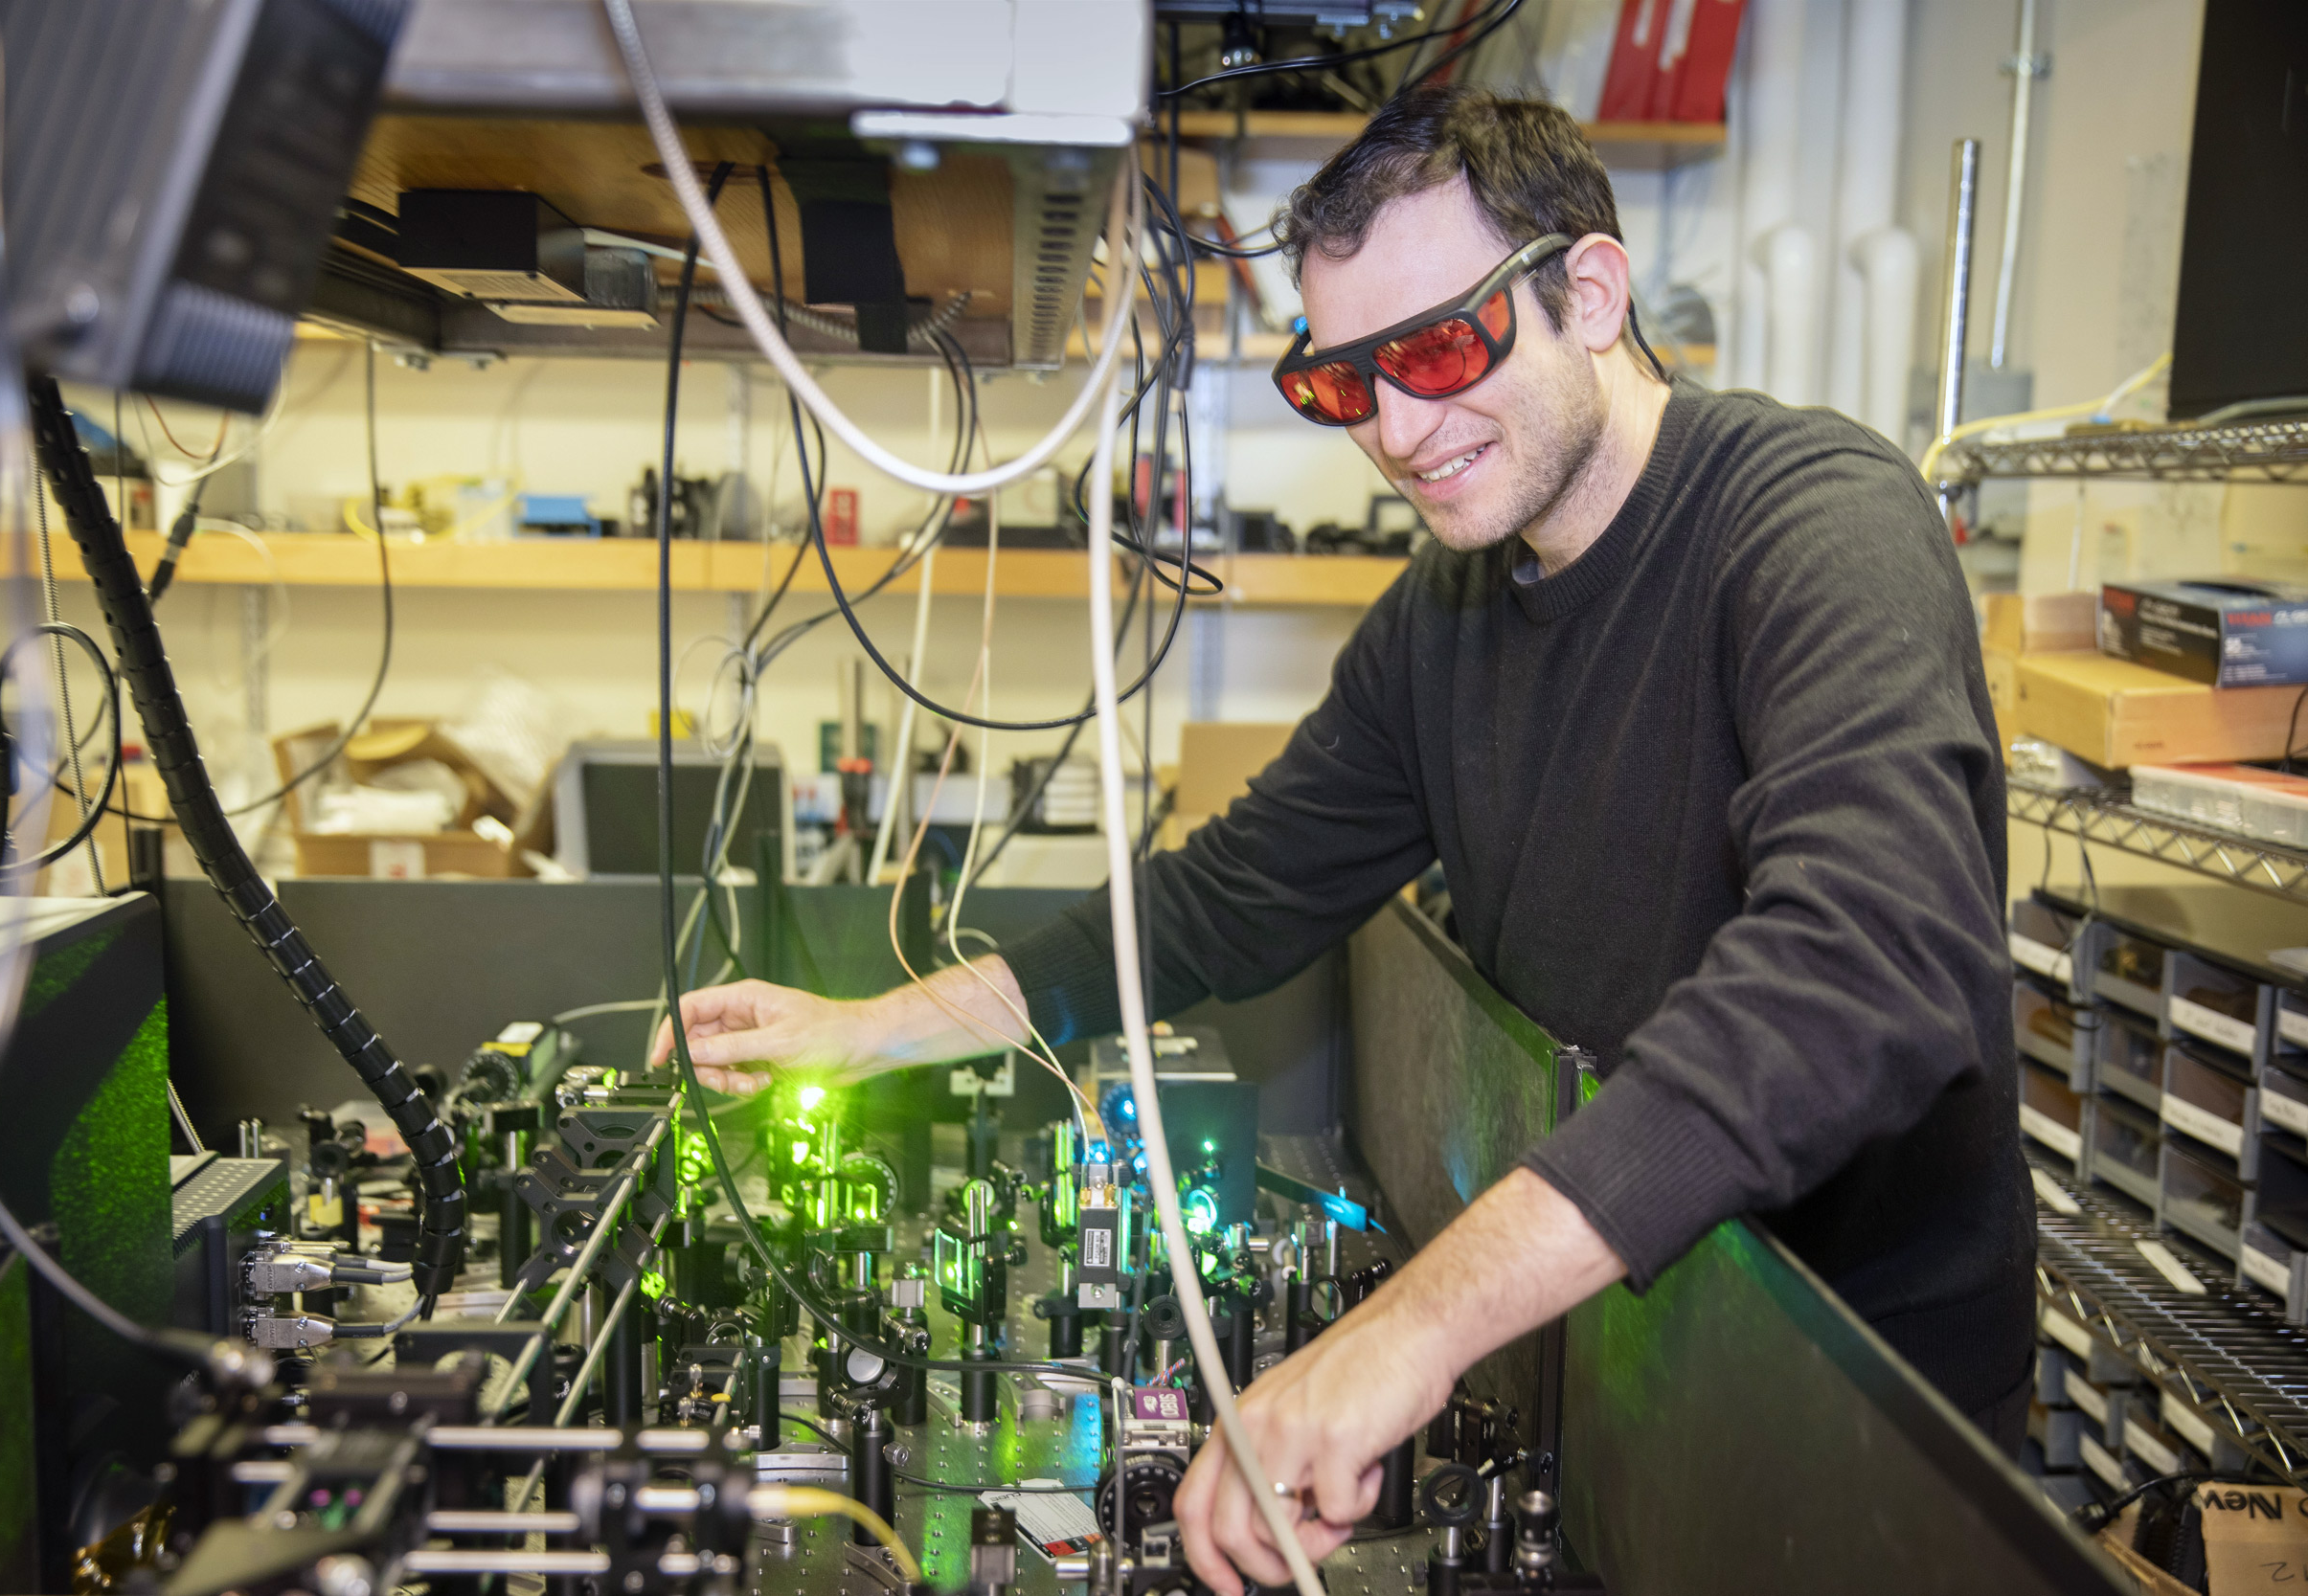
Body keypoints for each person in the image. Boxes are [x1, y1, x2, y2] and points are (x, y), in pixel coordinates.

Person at [655, 87, 2030, 1594]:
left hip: (1854, 1422)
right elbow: (1222, 902)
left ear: (1590, 292)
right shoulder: (1446, 622)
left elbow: (1871, 960)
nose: (1399, 431)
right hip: (1626, 1356)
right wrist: (869, 1036)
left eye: (1438, 351)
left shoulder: (1815, 524)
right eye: (1345, 385)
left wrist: (1415, 1326)